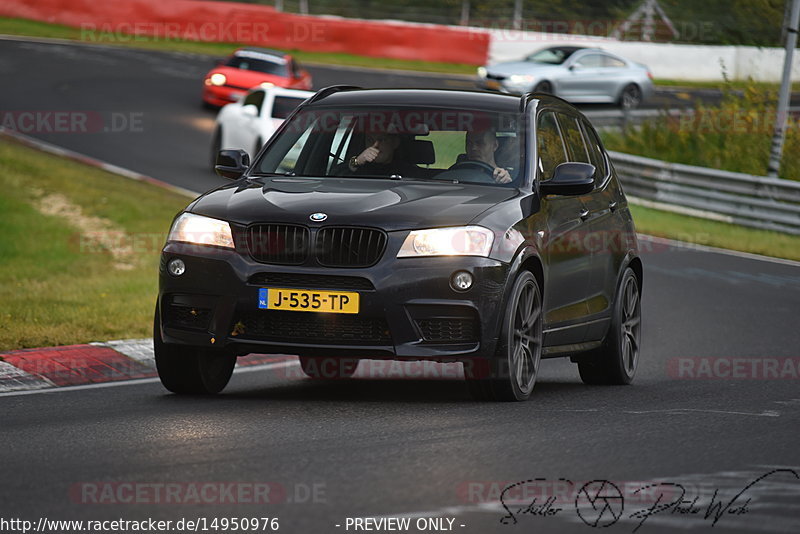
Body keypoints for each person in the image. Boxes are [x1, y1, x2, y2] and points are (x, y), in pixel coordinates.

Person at [346, 130, 418, 177]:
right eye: (369, 140)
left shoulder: (411, 174)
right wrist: (357, 161)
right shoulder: (360, 168)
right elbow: (338, 174)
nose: (375, 145)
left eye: (382, 140)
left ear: (395, 143)